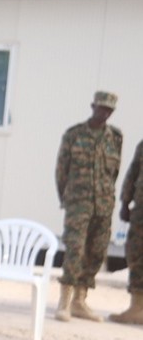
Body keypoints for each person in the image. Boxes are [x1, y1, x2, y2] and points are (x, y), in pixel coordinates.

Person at [54, 90, 122, 322]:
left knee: (97, 250)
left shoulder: (115, 137)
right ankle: (64, 302)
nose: (104, 113)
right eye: (101, 108)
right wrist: (67, 198)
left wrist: (107, 196)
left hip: (103, 204)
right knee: (75, 249)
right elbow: (61, 171)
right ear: (93, 106)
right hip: (78, 203)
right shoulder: (74, 135)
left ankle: (79, 301)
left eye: (109, 110)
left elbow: (113, 173)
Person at [110, 138, 143, 324]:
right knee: (137, 254)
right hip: (141, 212)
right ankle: (137, 308)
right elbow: (133, 173)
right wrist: (125, 202)